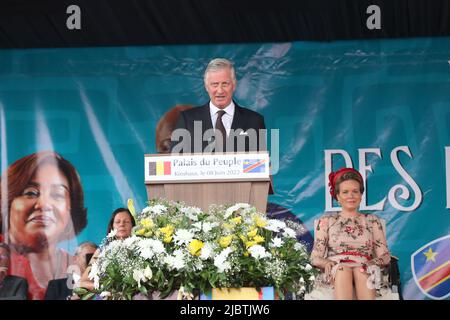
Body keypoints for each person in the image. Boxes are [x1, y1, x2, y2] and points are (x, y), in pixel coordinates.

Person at [0, 151, 87, 299]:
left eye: (57, 195)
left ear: (70, 210)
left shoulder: (78, 266)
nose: (45, 205)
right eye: (31, 193)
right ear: (7, 202)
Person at [310, 168, 391, 300]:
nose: (351, 196)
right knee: (342, 271)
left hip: (365, 266)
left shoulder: (372, 221)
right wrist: (326, 263)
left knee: (361, 271)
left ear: (361, 195)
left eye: (355, 191)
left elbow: (385, 255)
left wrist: (371, 263)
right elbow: (315, 257)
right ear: (337, 196)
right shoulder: (326, 221)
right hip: (337, 268)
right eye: (345, 192)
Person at [171, 58, 266, 153]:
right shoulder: (187, 119)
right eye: (214, 84)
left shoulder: (255, 121)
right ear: (206, 86)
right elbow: (175, 163)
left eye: (225, 84)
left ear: (234, 85)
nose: (220, 90)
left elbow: (261, 164)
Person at [73, 208, 135, 294]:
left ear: (133, 225)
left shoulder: (143, 247)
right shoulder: (102, 250)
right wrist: (106, 288)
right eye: (117, 222)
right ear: (112, 226)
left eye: (126, 221)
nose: (122, 224)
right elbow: (82, 283)